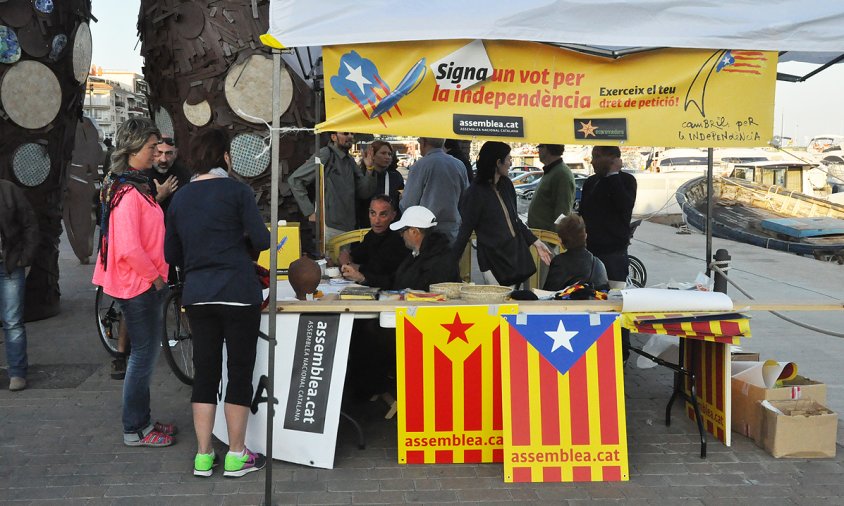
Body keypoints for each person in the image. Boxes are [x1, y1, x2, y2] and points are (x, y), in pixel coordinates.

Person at [164, 128, 270, 478]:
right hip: (239, 292)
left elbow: (171, 253)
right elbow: (262, 239)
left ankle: (204, 455)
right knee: (239, 371)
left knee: (205, 373)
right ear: (225, 157)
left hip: (198, 295)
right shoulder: (238, 191)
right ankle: (237, 455)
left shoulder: (180, 199)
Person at [92, 118, 175, 447]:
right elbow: (128, 248)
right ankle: (135, 428)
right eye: (151, 148)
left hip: (139, 282)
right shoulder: (127, 192)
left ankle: (143, 421)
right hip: (138, 285)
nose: (157, 153)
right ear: (132, 149)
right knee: (143, 356)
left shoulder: (132, 184)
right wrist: (155, 279)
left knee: (144, 354)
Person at [453, 141, 552, 287]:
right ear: (498, 162)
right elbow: (465, 231)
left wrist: (535, 242)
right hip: (492, 262)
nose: (511, 163)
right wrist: (451, 264)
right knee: (500, 304)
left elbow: (515, 220)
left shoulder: (506, 184)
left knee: (516, 304)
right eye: (509, 159)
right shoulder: (475, 193)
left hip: (515, 256)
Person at [288, 131, 378, 243]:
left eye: (351, 134)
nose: (350, 136)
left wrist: (370, 169)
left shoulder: (349, 160)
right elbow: (295, 180)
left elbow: (364, 192)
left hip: (349, 227)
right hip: (330, 226)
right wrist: (310, 211)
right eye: (345, 133)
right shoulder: (325, 154)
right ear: (334, 137)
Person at [578, 145, 637, 288]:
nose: (592, 162)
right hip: (590, 251)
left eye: (597, 157)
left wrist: (613, 174)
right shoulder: (591, 182)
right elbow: (584, 212)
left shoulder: (626, 180)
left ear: (613, 159)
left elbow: (624, 205)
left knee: (615, 296)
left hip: (614, 252)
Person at [0, 179, 39, 391]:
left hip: (9, 265)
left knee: (13, 321)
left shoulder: (8, 190)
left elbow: (29, 223)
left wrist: (25, 259)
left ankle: (17, 372)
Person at [400, 137, 469, 244]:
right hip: (452, 230)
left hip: (425, 231)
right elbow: (465, 199)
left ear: (424, 143)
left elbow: (408, 204)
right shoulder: (459, 165)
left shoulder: (420, 166)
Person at [341, 194, 410, 288]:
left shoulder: (399, 239)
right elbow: (352, 255)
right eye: (373, 213)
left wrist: (353, 266)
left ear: (393, 216)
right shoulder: (371, 235)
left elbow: (380, 271)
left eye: (383, 214)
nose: (377, 220)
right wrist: (348, 263)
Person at [389, 206, 460, 290]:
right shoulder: (420, 254)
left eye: (402, 231)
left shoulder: (437, 261)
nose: (401, 235)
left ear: (414, 232)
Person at [544, 214, 609, 291]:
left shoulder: (559, 262)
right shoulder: (599, 264)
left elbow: (548, 294)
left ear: (561, 241)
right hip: (597, 301)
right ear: (585, 236)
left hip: (569, 302)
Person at [527, 143, 576, 232]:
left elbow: (563, 213)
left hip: (547, 240)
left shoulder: (562, 174)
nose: (538, 151)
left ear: (546, 148)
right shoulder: (552, 171)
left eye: (539, 147)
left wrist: (551, 242)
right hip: (539, 237)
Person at [355, 141, 404, 228]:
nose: (387, 157)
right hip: (364, 228)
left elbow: (399, 202)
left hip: (390, 229)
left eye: (389, 154)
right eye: (383, 153)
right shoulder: (361, 175)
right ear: (372, 155)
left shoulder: (395, 177)